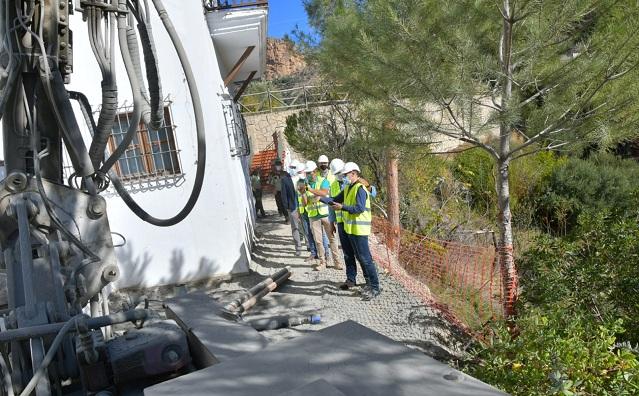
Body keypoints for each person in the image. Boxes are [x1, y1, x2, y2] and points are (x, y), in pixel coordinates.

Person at [331, 162, 381, 300]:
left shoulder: (360, 189)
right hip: (352, 229)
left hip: (360, 230)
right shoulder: (348, 188)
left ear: (353, 173)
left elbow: (359, 208)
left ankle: (375, 287)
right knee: (360, 257)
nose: (344, 177)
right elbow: (334, 200)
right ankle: (369, 284)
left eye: (346, 174)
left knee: (366, 259)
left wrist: (342, 207)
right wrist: (318, 197)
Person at [303, 160, 343, 271]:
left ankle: (337, 262)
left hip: (325, 214)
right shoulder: (305, 185)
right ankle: (322, 262)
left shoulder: (323, 181)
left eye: (310, 172)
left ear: (315, 171)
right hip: (313, 216)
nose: (308, 175)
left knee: (332, 238)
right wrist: (303, 193)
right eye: (306, 173)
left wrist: (311, 190)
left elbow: (324, 193)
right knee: (318, 241)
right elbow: (305, 203)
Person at [280, 162, 304, 256]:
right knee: (295, 228)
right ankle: (298, 248)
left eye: (294, 167)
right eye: (291, 167)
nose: (293, 169)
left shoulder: (301, 178)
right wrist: (287, 207)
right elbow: (284, 194)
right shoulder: (285, 180)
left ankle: (309, 246)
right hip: (293, 207)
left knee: (305, 226)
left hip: (303, 206)